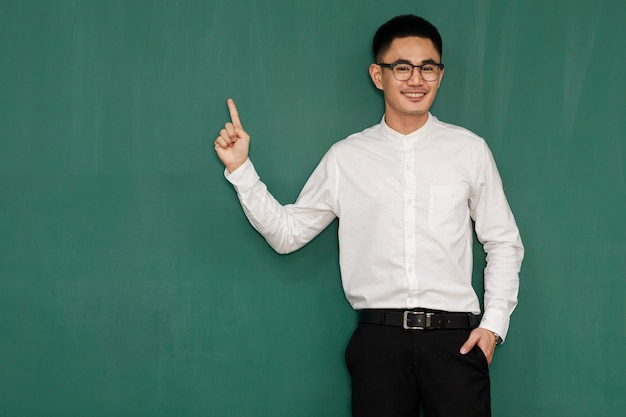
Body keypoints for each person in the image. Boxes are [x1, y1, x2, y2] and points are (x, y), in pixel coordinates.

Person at [214, 14, 523, 417]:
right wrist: (242, 170)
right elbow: (288, 234)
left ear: (440, 75)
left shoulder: (469, 151)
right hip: (379, 343)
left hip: (456, 343)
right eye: (402, 67)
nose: (416, 79)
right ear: (379, 75)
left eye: (428, 68)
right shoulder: (347, 157)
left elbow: (502, 241)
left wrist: (494, 325)